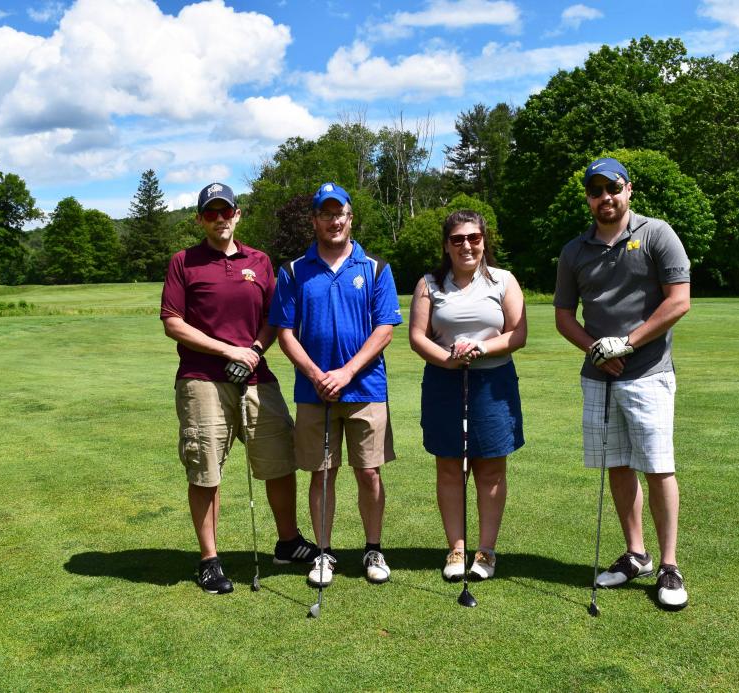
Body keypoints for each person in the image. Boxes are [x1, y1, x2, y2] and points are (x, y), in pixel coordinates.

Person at [160, 182, 318, 595]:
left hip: (255, 374)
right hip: (201, 378)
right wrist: (228, 350)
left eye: (225, 212)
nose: (219, 219)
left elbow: (274, 315)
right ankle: (209, 559)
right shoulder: (184, 262)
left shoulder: (260, 261)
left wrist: (252, 349)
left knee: (279, 458)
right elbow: (173, 322)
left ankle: (288, 542)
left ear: (237, 215)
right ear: (200, 219)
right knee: (205, 467)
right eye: (210, 213)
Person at [553, 157, 691, 610]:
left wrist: (626, 345)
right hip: (599, 376)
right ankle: (637, 554)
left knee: (656, 465)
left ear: (628, 190)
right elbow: (562, 316)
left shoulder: (656, 234)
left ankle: (669, 565)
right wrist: (596, 349)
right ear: (589, 199)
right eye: (596, 192)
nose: (605, 198)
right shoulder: (575, 250)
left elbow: (678, 301)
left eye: (612, 189)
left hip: (648, 372)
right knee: (616, 465)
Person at [269, 182, 403, 588]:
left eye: (339, 213)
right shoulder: (293, 270)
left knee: (370, 473)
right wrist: (315, 374)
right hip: (314, 394)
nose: (333, 221)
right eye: (324, 214)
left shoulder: (375, 268)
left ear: (350, 217)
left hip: (365, 390)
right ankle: (324, 554)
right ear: (314, 220)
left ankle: (373, 547)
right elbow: (285, 331)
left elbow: (384, 330)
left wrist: (345, 373)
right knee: (321, 474)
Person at [408, 210, 526, 582]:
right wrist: (448, 359)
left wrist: (480, 347)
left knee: (490, 466)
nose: (466, 245)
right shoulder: (430, 284)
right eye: (457, 239)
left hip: (493, 385)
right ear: (446, 245)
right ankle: (456, 549)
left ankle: (486, 551)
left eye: (473, 237)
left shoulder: (503, 281)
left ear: (484, 241)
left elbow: (517, 333)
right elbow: (417, 336)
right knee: (449, 465)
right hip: (444, 384)